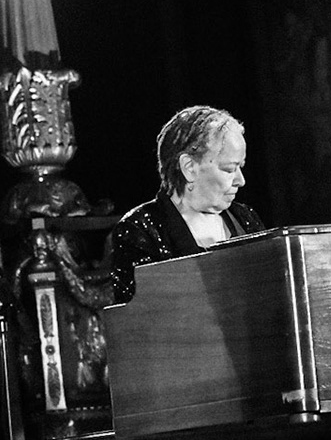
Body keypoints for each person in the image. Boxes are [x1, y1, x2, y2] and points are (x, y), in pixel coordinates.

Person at [107, 106, 266, 305]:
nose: (240, 181)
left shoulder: (246, 218)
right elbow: (140, 320)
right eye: (228, 169)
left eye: (240, 168)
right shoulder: (139, 229)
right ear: (189, 167)